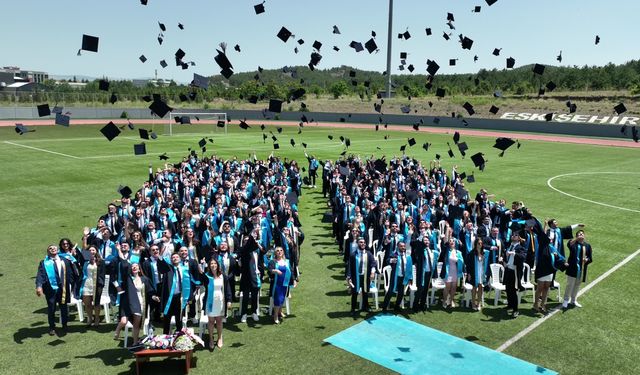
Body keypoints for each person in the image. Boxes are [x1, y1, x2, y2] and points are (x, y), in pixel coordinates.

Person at [113, 259, 159, 344]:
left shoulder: (145, 279)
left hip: (140, 304)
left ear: (139, 268)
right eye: (132, 266)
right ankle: (118, 330)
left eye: (136, 266)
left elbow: (150, 291)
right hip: (127, 303)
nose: (134, 267)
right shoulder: (127, 279)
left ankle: (135, 342)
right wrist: (117, 287)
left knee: (136, 324)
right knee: (123, 321)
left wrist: (154, 297)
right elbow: (118, 283)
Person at [36, 245, 78, 336]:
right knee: (51, 309)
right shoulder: (44, 263)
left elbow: (72, 271)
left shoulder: (65, 260)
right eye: (50, 248)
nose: (53, 249)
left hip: (63, 288)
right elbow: (40, 275)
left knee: (64, 307)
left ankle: (65, 325)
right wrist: (39, 286)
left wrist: (73, 285)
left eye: (54, 248)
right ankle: (52, 327)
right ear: (48, 252)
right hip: (50, 289)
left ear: (57, 250)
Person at [200, 258, 231, 349]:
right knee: (211, 321)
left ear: (217, 265)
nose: (213, 265)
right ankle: (210, 338)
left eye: (215, 263)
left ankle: (220, 337)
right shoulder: (206, 276)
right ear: (209, 266)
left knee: (219, 321)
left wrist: (229, 300)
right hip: (210, 302)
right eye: (211, 263)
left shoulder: (223, 276)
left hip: (220, 302)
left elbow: (227, 288)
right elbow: (199, 279)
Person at [157, 253, 192, 334]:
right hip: (169, 297)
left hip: (180, 296)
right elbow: (161, 266)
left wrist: (188, 297)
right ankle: (165, 337)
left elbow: (188, 284)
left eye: (177, 257)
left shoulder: (185, 269)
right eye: (173, 257)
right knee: (167, 318)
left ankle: (179, 336)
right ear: (171, 260)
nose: (175, 258)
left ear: (180, 259)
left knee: (179, 317)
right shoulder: (168, 268)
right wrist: (160, 256)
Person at [237, 230, 265, 323]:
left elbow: (264, 250)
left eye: (248, 240)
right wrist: (251, 237)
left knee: (254, 295)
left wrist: (256, 242)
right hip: (246, 277)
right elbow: (246, 248)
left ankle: (254, 312)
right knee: (245, 296)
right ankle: (244, 313)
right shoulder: (243, 250)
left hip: (256, 276)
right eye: (245, 240)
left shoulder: (257, 251)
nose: (247, 242)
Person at [77, 245, 106, 327]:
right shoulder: (85, 261)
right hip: (86, 284)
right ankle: (90, 318)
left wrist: (101, 284)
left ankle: (97, 319)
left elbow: (103, 274)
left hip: (97, 284)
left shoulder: (101, 261)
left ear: (96, 251)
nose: (91, 252)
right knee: (87, 303)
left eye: (93, 250)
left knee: (96, 303)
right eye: (89, 250)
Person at [346, 238, 377, 316]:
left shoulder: (369, 254)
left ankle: (365, 306)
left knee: (365, 292)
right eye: (361, 242)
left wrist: (372, 273)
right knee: (355, 293)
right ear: (357, 244)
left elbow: (373, 264)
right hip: (356, 277)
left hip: (365, 277)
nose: (363, 244)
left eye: (364, 242)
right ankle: (353, 309)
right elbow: (349, 266)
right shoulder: (353, 255)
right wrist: (349, 277)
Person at [562, 230, 593, 309]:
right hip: (572, 268)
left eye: (582, 234)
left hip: (581, 269)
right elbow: (569, 244)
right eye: (579, 234)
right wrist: (576, 239)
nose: (581, 235)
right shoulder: (573, 244)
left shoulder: (587, 246)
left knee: (577, 285)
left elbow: (590, 258)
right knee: (570, 285)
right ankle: (565, 300)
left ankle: (573, 300)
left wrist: (587, 260)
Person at [382, 242, 412, 311]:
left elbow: (409, 268)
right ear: (398, 247)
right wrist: (391, 260)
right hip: (395, 277)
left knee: (401, 293)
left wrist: (410, 278)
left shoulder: (407, 256)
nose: (403, 247)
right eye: (401, 246)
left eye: (404, 246)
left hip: (403, 277)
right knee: (390, 292)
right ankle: (384, 307)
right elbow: (387, 260)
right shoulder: (394, 254)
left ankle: (397, 306)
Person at [268, 246, 295, 324]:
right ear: (275, 253)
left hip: (285, 284)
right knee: (277, 300)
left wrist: (294, 280)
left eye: (281, 250)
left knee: (282, 298)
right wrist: (275, 270)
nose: (279, 252)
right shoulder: (272, 262)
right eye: (277, 251)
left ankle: (280, 311)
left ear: (283, 252)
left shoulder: (286, 261)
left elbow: (291, 271)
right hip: (276, 285)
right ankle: (275, 315)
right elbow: (269, 271)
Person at [504, 231, 526, 318]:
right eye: (513, 235)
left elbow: (523, 257)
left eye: (516, 235)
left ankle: (515, 309)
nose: (513, 236)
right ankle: (510, 305)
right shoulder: (510, 245)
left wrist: (514, 254)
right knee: (507, 288)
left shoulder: (520, 247)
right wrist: (504, 259)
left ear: (519, 238)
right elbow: (506, 255)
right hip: (508, 270)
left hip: (515, 272)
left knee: (513, 291)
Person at [438, 238, 464, 309]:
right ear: (449, 243)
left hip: (455, 272)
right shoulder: (446, 251)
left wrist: (458, 260)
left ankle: (451, 300)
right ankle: (444, 301)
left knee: (453, 288)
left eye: (453, 241)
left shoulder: (458, 252)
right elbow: (443, 245)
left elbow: (462, 261)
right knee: (447, 287)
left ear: (455, 243)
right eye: (450, 241)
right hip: (448, 272)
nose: (452, 242)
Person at [411, 235, 434, 311]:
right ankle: (415, 305)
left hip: (429, 273)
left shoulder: (431, 251)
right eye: (425, 240)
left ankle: (422, 305)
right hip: (422, 273)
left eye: (427, 240)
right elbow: (414, 244)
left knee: (426, 290)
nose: (426, 242)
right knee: (420, 289)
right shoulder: (420, 250)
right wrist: (420, 239)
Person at [466, 238, 488, 311]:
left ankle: (478, 303)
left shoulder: (484, 253)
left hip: (481, 273)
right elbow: (468, 264)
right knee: (474, 288)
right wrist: (469, 274)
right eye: (479, 243)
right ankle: (473, 303)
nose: (480, 245)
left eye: (481, 243)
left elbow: (485, 264)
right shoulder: (471, 253)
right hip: (474, 273)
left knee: (481, 287)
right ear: (475, 244)